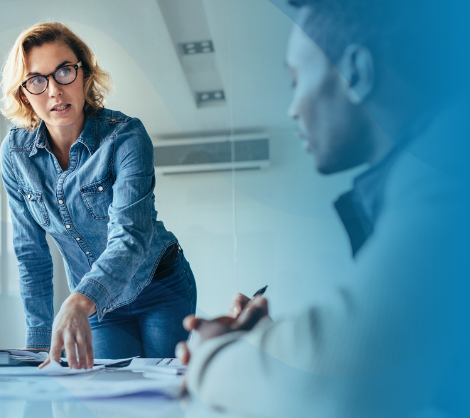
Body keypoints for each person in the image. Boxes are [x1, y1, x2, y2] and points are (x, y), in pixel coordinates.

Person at [177, 0, 470, 416]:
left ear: (356, 73)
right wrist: (268, 347)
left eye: (296, 80)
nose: (292, 108)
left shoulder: (452, 160)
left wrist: (211, 355)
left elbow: (337, 382)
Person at [0, 22, 197, 368]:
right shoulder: (15, 155)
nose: (54, 91)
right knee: (111, 395)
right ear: (24, 93)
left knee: (163, 395)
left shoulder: (125, 136)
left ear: (85, 75)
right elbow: (30, 254)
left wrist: (78, 301)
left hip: (159, 286)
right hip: (98, 306)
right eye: (36, 80)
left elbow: (130, 236)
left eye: (64, 71)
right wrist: (38, 340)